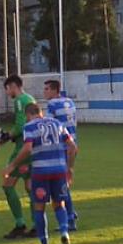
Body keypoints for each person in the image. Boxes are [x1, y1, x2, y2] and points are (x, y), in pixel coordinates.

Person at [2, 103, 77, 244]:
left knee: (39, 207)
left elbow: (28, 148)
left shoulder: (29, 127)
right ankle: (64, 231)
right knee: (59, 204)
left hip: (41, 171)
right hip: (59, 171)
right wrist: (69, 168)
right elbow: (73, 147)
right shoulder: (58, 124)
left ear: (28, 115)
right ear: (41, 112)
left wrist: (12, 165)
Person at [0, 75, 37, 239]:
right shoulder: (30, 98)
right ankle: (37, 225)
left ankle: (20, 224)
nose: (7, 93)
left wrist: (8, 135)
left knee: (8, 185)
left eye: (7, 89)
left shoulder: (20, 100)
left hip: (23, 148)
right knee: (30, 187)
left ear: (13, 86)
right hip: (33, 147)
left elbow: (21, 125)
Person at [43, 79, 79, 230]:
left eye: (46, 89)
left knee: (61, 184)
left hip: (61, 146)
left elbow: (49, 126)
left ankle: (70, 218)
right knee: (64, 181)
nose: (44, 92)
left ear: (54, 90)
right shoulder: (70, 102)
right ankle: (71, 213)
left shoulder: (52, 105)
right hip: (73, 144)